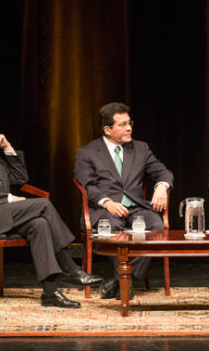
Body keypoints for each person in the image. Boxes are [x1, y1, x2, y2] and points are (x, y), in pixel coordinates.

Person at [0, 107, 103, 308]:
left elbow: (19, 178)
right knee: (42, 205)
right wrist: (9, 198)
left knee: (39, 224)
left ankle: (50, 293)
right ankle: (72, 268)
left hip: (1, 214)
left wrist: (8, 148)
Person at [74, 102, 173, 299]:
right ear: (107, 129)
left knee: (156, 225)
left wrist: (162, 185)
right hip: (104, 210)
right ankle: (125, 281)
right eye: (122, 124)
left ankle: (122, 279)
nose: (129, 128)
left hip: (137, 208)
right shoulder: (87, 152)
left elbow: (163, 171)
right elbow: (87, 185)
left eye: (129, 123)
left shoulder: (141, 149)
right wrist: (107, 202)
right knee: (113, 226)